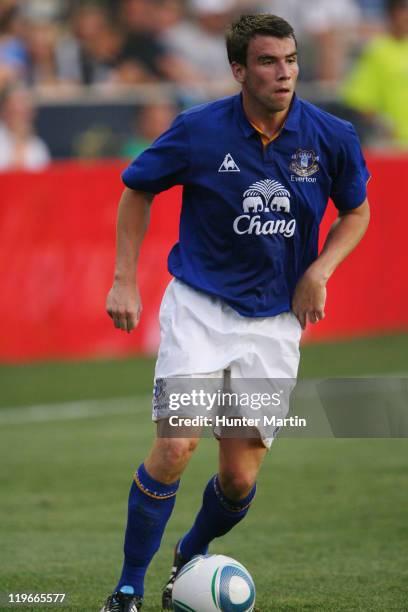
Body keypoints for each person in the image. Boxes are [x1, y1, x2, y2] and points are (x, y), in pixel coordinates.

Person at [101, 13, 370, 612]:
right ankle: (126, 589)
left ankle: (188, 556)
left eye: (292, 60)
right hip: (200, 308)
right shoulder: (199, 130)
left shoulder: (330, 135)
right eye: (270, 62)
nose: (285, 73)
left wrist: (318, 272)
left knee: (239, 479)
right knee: (175, 447)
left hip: (275, 323)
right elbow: (136, 189)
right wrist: (124, 279)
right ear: (239, 70)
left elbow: (357, 211)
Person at [342, 0, 408, 148]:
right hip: (393, 147)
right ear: (391, 16)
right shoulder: (376, 51)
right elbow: (358, 99)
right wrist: (381, 124)